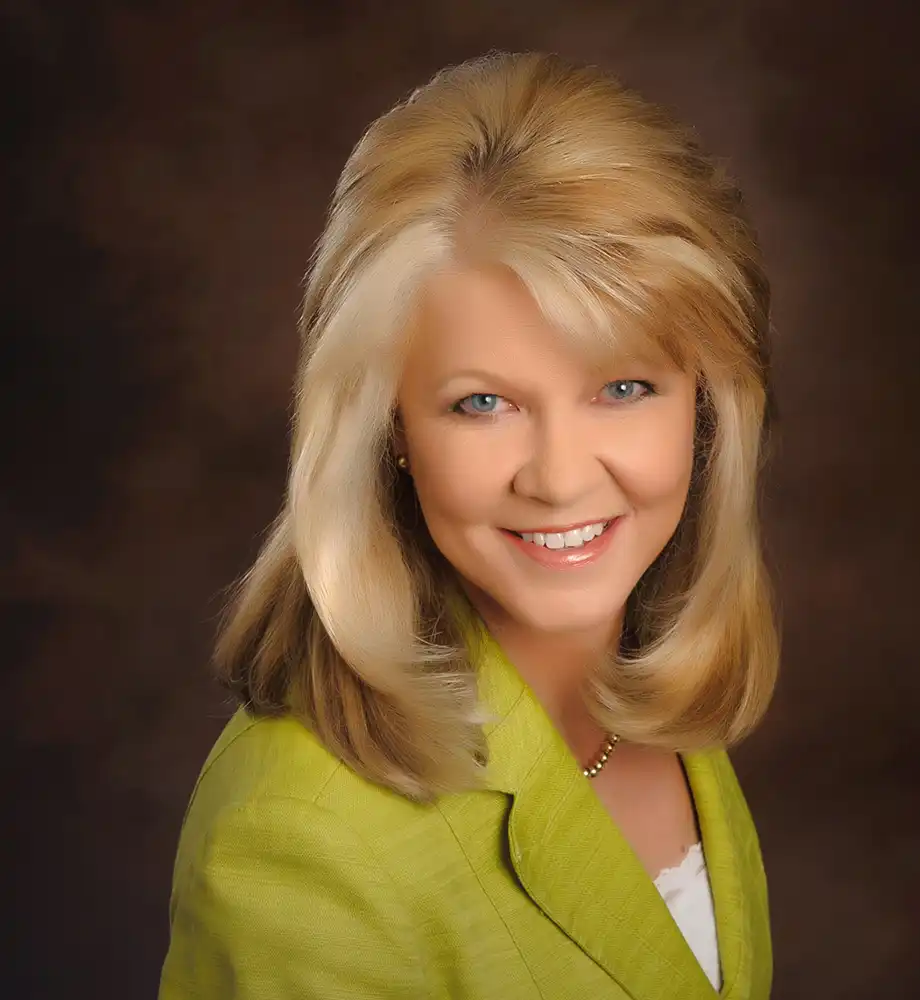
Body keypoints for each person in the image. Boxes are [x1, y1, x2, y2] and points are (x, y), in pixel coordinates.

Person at [159, 50, 778, 999]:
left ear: (705, 403)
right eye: (483, 403)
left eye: (623, 387)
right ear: (389, 429)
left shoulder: (648, 675)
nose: (563, 479)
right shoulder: (297, 842)